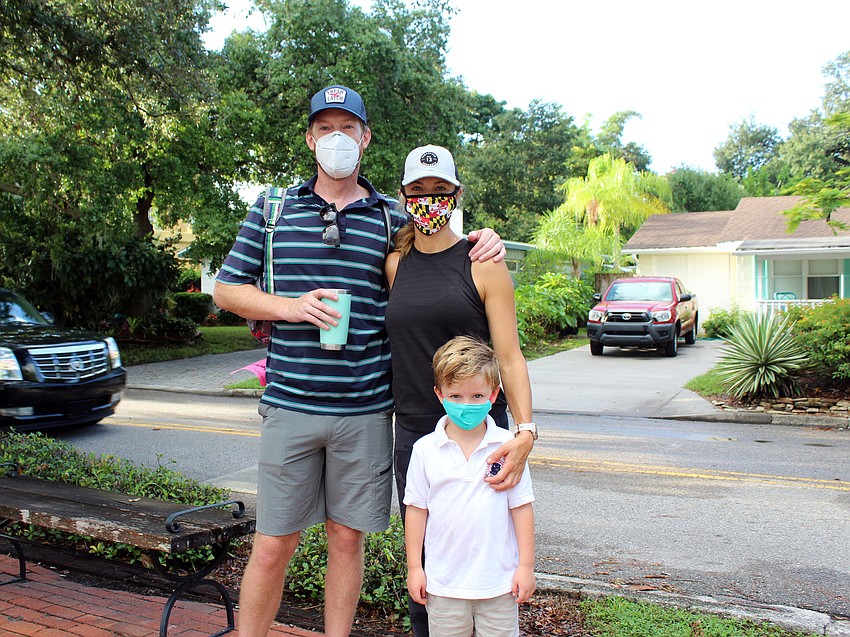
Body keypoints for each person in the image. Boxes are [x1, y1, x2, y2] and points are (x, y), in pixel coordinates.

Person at [213, 86, 505, 637]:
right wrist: (290, 307)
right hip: (290, 406)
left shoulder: (395, 219)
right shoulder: (273, 209)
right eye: (325, 127)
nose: (336, 138)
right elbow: (228, 289)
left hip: (367, 410)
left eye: (348, 127)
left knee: (348, 540)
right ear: (309, 138)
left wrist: (487, 238)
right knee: (274, 543)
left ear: (365, 138)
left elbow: (448, 251)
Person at [384, 144, 536, 635]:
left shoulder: (483, 263)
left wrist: (527, 431)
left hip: (481, 431)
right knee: (427, 561)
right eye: (419, 191)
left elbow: (509, 356)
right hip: (415, 431)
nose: (430, 200)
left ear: (456, 194)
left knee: (485, 548)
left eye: (440, 191)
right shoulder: (394, 263)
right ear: (404, 196)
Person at [404, 336, 536, 637]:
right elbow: (416, 509)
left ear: (493, 395)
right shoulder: (425, 449)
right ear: (440, 394)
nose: (466, 405)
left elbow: (522, 507)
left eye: (477, 396)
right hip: (444, 586)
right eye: (456, 396)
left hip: (499, 586)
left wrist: (526, 566)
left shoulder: (508, 447)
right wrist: (415, 568)